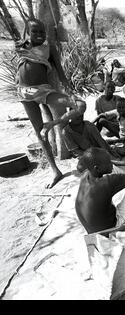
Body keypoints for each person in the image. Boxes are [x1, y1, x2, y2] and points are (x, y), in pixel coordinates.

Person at [15, 19, 85, 188]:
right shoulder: (21, 46)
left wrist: (70, 91)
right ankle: (55, 171)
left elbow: (60, 73)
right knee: (41, 134)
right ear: (27, 33)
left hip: (44, 91)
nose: (39, 35)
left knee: (80, 105)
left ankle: (52, 123)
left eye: (42, 32)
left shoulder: (49, 49)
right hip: (25, 93)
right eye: (35, 32)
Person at [75, 147, 125, 234]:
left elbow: (111, 166)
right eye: (108, 162)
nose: (110, 164)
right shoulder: (108, 182)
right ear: (97, 168)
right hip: (112, 229)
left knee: (116, 170)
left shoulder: (85, 174)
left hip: (93, 230)